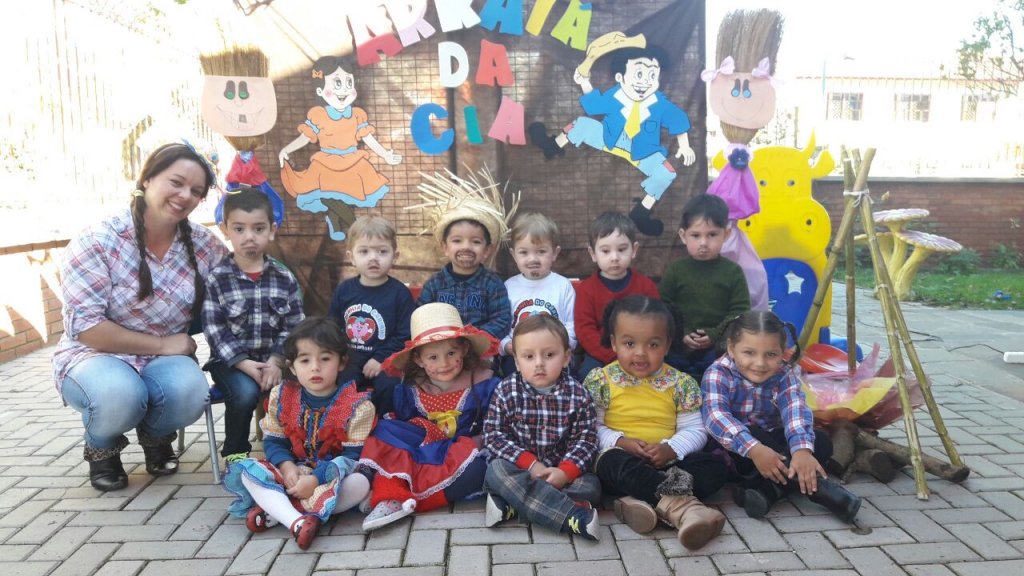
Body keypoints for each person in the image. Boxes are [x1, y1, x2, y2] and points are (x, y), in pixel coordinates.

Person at [53, 142, 229, 492]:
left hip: (165, 357)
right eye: (176, 182)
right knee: (119, 394)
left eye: (196, 191)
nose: (185, 196)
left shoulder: (204, 244)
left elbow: (235, 292)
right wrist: (163, 344)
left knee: (190, 391)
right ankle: (102, 446)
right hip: (96, 354)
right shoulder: (98, 240)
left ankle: (156, 436)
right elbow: (86, 328)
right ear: (147, 179)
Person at [584, 295, 727, 550]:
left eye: (652, 344)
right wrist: (621, 442)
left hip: (669, 464)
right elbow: (591, 429)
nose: (640, 353)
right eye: (629, 343)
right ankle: (686, 509)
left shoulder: (680, 383)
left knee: (715, 465)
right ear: (614, 343)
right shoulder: (601, 380)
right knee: (610, 462)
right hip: (624, 462)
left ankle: (638, 503)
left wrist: (671, 448)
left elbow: (695, 429)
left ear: (667, 345)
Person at [222, 317, 376, 550]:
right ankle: (298, 521)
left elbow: (353, 456)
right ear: (292, 367)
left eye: (325, 359)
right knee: (248, 472)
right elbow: (274, 441)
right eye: (305, 360)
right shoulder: (282, 396)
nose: (315, 367)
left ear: (341, 362)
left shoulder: (357, 406)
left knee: (360, 483)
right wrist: (286, 467)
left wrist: (315, 480)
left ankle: (279, 512)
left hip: (331, 476)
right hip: (292, 473)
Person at [702, 310, 861, 522]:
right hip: (736, 451)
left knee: (820, 442)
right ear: (731, 348)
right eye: (749, 352)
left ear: (783, 352)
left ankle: (765, 491)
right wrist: (755, 450)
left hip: (773, 443)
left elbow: (796, 410)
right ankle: (819, 490)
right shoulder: (718, 373)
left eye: (770, 354)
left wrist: (801, 451)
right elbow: (716, 416)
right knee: (753, 433)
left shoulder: (784, 374)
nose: (760, 363)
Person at [358, 303, 501, 531]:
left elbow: (496, 426)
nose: (443, 363)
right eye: (433, 357)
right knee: (385, 431)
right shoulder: (409, 390)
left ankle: (400, 499)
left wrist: (478, 441)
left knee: (480, 470)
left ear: (464, 349)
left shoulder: (485, 384)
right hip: (423, 451)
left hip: (464, 452)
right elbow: (404, 429)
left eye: (451, 353)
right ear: (418, 360)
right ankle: (388, 493)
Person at [529, 45, 695, 236]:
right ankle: (551, 146)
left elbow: (678, 119)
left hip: (643, 150)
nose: (645, 81)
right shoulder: (616, 95)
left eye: (652, 75)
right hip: (610, 138)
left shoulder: (659, 104)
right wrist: (584, 82)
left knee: (666, 173)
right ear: (620, 77)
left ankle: (641, 212)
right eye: (639, 74)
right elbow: (594, 106)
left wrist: (685, 146)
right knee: (582, 124)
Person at [203, 187, 304, 465]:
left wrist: (276, 361)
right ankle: (236, 454)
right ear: (225, 230)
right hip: (231, 363)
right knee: (245, 393)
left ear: (272, 230)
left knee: (301, 389)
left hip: (276, 361)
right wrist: (244, 363)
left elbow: (294, 325)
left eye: (258, 228)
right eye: (239, 229)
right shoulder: (218, 278)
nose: (249, 237)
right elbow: (214, 328)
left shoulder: (283, 277)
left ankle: (293, 450)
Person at [483, 315, 601, 540]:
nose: (539, 363)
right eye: (529, 356)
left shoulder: (578, 394)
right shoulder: (506, 391)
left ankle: (514, 505)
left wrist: (564, 472)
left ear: (566, 358)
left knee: (591, 485)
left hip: (560, 472)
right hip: (520, 470)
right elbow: (494, 435)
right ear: (517, 362)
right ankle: (573, 516)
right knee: (495, 471)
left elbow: (586, 440)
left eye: (549, 355)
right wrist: (530, 464)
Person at [278, 55, 402, 241]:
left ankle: (334, 222)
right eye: (337, 83)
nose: (344, 89)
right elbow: (305, 137)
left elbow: (368, 138)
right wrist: (286, 150)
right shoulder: (319, 115)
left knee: (342, 196)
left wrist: (385, 154)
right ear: (320, 91)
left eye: (348, 83)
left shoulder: (357, 115)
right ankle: (353, 225)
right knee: (329, 196)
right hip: (326, 163)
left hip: (353, 162)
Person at [327, 214, 412, 413]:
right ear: (352, 258)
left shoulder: (400, 294)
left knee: (390, 388)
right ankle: (346, 423)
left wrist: (381, 359)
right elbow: (332, 326)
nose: (373, 258)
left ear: (394, 257)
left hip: (388, 359)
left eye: (382, 251)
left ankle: (383, 424)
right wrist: (338, 356)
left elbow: (405, 334)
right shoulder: (344, 291)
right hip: (351, 357)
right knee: (342, 384)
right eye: (364, 251)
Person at [660, 194, 750, 380]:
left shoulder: (733, 272)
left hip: (718, 347)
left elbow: (740, 313)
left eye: (712, 235)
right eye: (695, 235)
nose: (703, 243)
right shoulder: (676, 270)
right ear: (683, 236)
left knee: (724, 368)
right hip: (679, 345)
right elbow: (663, 307)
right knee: (666, 365)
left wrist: (715, 334)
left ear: (726, 234)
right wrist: (682, 333)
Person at [415, 183, 512, 345]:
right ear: (445, 247)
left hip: (480, 350)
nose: (466, 247)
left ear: (487, 250)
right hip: (442, 348)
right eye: (457, 240)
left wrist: (475, 338)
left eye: (475, 241)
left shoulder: (492, 283)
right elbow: (420, 315)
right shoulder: (435, 284)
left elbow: (501, 320)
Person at [574, 212, 659, 381]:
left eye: (622, 249)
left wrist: (639, 352)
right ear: (592, 253)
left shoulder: (646, 286)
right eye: (605, 251)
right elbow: (585, 330)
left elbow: (657, 323)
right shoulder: (586, 289)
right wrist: (612, 356)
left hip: (641, 351)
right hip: (601, 353)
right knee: (587, 375)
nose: (614, 257)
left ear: (634, 250)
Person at [498, 213, 577, 377]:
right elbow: (501, 326)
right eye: (524, 252)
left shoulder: (563, 286)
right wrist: (507, 346)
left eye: (541, 251)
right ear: (513, 254)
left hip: (553, 356)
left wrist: (560, 347)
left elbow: (572, 325)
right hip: (518, 356)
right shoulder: (508, 288)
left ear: (554, 253)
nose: (532, 259)